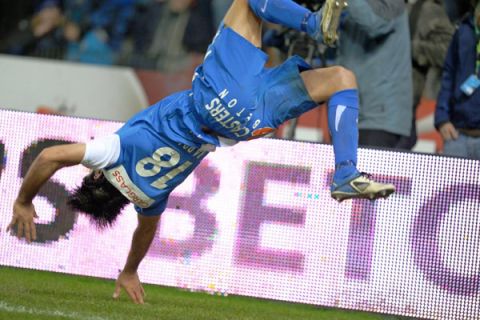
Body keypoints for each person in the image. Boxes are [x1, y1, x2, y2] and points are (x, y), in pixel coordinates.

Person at [7, 0, 395, 304]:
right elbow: (49, 157)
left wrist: (129, 270)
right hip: (215, 99)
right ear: (96, 177)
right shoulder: (112, 153)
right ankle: (314, 25)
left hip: (245, 125)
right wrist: (23, 200)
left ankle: (346, 174)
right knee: (247, 2)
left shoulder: (149, 195)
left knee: (343, 80)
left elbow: (146, 231)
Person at [335, 0, 413, 148]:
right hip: (352, 112)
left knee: (365, 170)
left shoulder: (393, 4)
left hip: (379, 117)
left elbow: (374, 23)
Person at [435, 0, 480, 159]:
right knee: (452, 184)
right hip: (457, 135)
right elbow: (448, 75)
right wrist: (442, 119)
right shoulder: (464, 29)